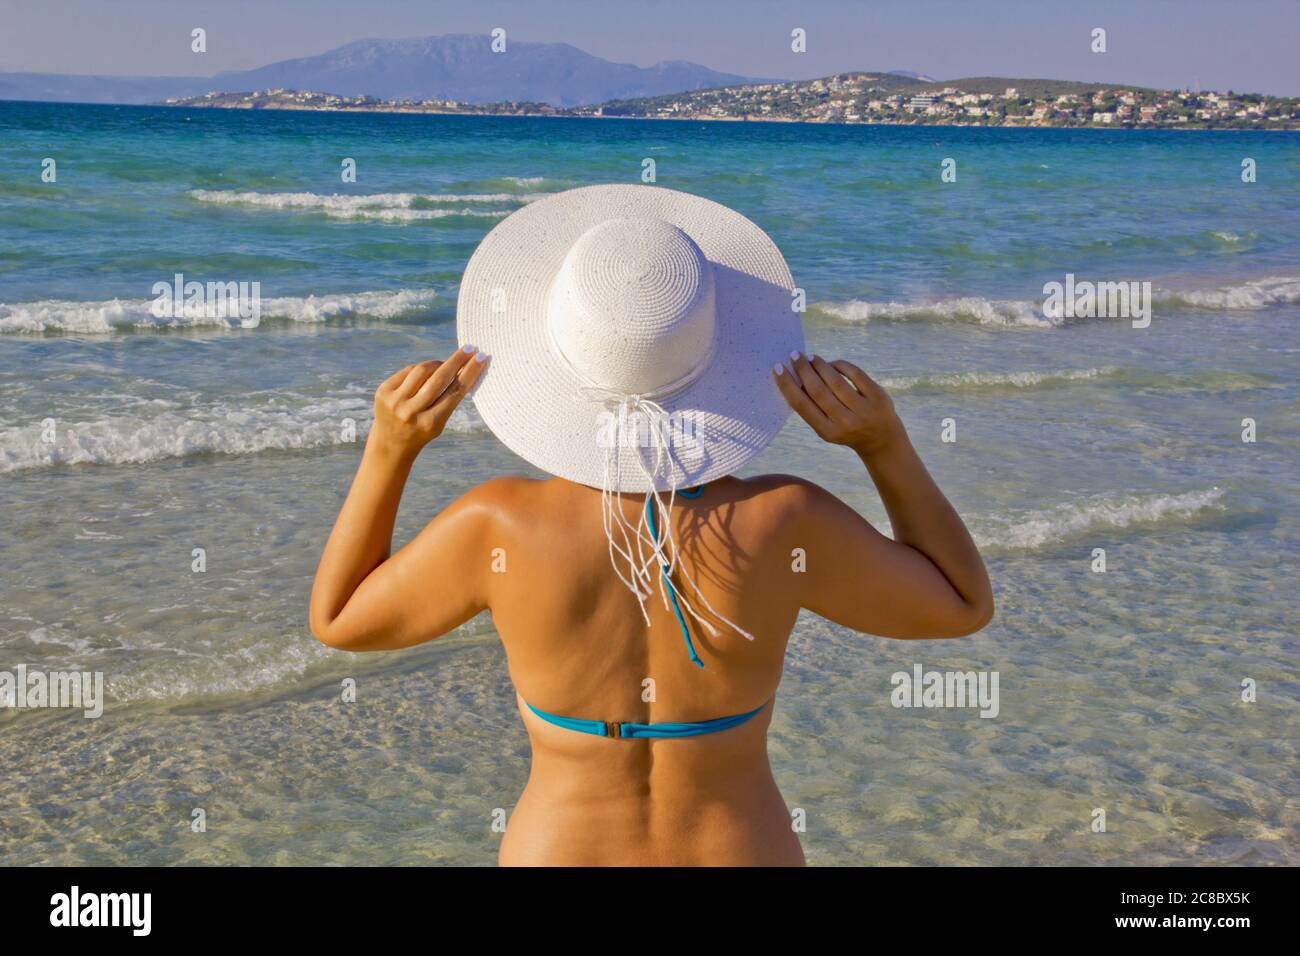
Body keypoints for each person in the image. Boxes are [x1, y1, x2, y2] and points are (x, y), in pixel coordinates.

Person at [309, 185, 993, 866]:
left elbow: (339, 619)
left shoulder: (500, 528)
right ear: (721, 354)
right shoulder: (787, 521)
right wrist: (884, 445)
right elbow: (962, 604)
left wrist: (390, 450)